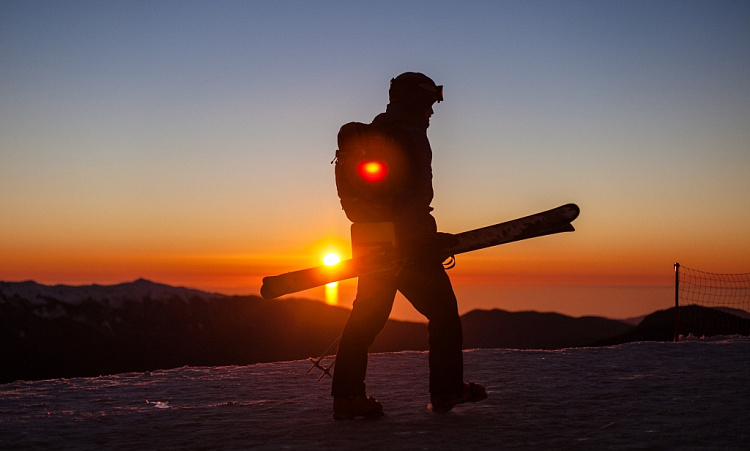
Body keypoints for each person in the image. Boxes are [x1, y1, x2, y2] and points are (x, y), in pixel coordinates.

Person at [331, 72, 487, 420]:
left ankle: (347, 397)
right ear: (416, 100)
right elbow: (409, 198)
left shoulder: (377, 131)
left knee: (366, 319)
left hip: (369, 237)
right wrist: (425, 239)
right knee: (444, 315)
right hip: (406, 241)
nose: (434, 109)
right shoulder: (409, 136)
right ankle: (446, 390)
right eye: (431, 100)